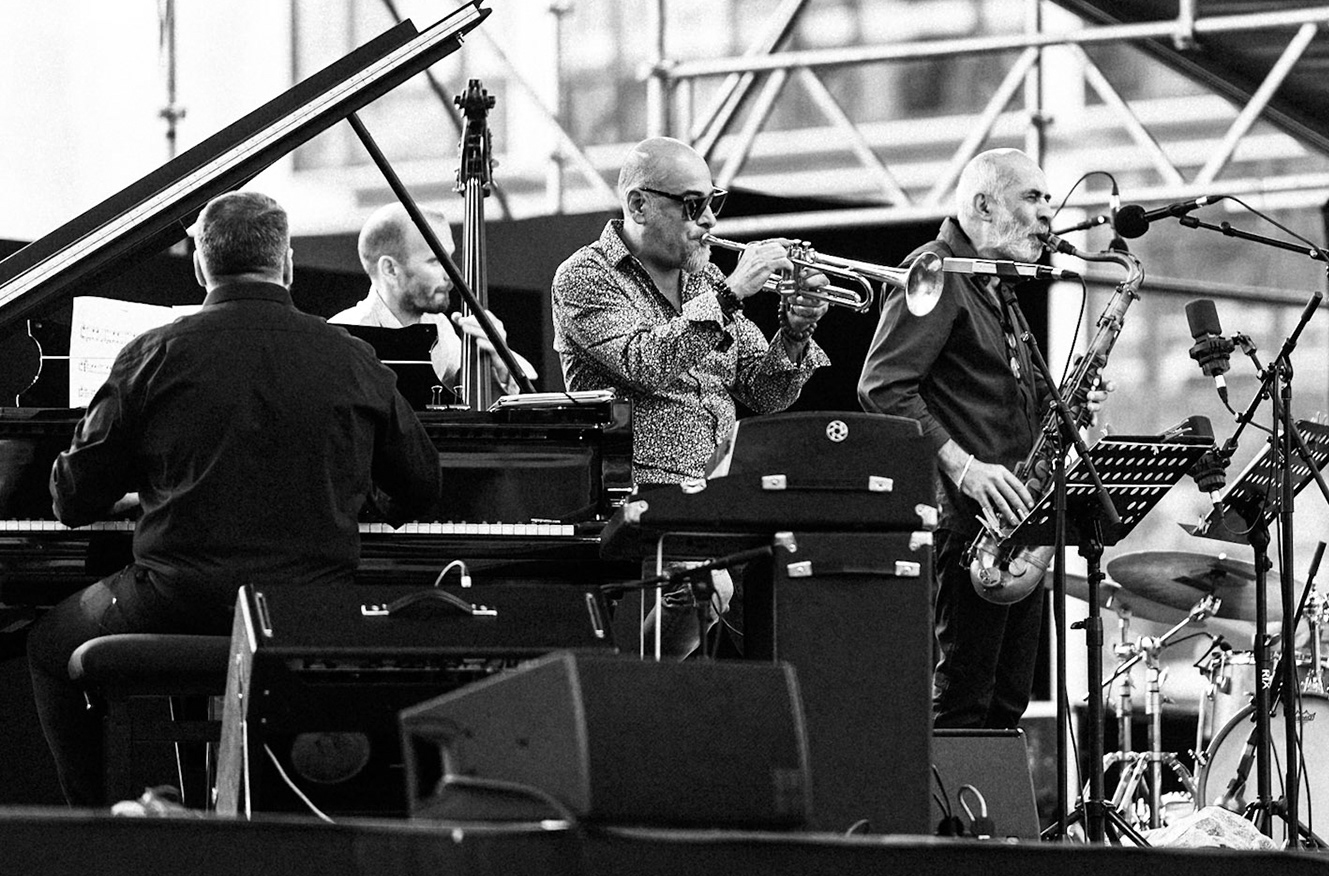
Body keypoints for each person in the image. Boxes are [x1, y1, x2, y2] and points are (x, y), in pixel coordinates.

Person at [27, 191, 441, 806]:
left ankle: (101, 824)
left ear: (200, 268)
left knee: (46, 645)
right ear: (289, 265)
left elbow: (70, 500)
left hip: (175, 600)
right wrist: (352, 499)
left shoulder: (152, 354)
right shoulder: (353, 357)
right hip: (308, 603)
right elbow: (423, 489)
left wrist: (144, 487)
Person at [550, 136, 830, 656]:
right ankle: (626, 686)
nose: (710, 223)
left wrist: (793, 334)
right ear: (639, 205)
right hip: (640, 496)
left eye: (712, 204)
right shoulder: (585, 276)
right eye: (693, 206)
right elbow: (645, 364)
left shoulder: (703, 274)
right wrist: (728, 299)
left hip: (722, 493)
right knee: (705, 587)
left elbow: (762, 392)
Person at [858, 148, 1058, 730]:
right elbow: (882, 386)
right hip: (968, 526)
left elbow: (1002, 394)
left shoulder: (996, 286)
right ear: (983, 205)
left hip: (1016, 524)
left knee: (1005, 704)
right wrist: (966, 467)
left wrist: (1063, 407)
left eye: (1047, 199)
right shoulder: (936, 272)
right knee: (964, 703)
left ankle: (995, 823)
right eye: (1033, 197)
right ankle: (946, 823)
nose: (1048, 214)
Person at [330, 202, 537, 394]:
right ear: (391, 269)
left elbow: (468, 396)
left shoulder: (438, 326)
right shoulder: (343, 340)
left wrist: (497, 360)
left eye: (449, 258)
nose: (451, 274)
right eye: (435, 261)